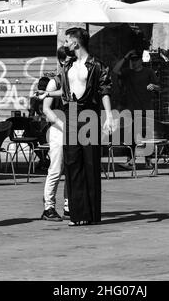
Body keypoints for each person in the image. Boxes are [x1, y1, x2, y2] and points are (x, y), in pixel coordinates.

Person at [60, 27, 113, 226]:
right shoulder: (67, 66)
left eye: (67, 41)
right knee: (72, 163)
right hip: (71, 114)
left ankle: (90, 214)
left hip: (89, 114)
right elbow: (65, 90)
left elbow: (104, 90)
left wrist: (109, 116)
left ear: (76, 43)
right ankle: (76, 214)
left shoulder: (97, 65)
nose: (65, 44)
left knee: (90, 163)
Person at [113, 49, 161, 169]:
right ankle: (130, 161)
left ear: (140, 60)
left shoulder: (148, 72)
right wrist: (125, 57)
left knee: (147, 136)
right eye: (131, 60)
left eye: (135, 60)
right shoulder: (128, 73)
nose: (133, 62)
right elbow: (115, 70)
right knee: (130, 136)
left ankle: (148, 162)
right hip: (131, 109)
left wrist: (154, 86)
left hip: (146, 108)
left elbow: (160, 88)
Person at [37, 47, 69, 221]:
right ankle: (48, 207)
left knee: (71, 170)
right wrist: (61, 124)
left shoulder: (75, 80)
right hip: (58, 129)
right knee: (56, 169)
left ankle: (68, 206)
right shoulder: (54, 82)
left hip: (73, 128)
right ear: (63, 61)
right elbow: (46, 109)